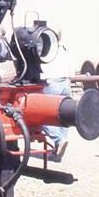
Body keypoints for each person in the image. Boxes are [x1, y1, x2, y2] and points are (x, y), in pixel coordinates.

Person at [39, 26, 73, 161]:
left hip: (51, 82)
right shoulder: (65, 48)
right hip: (65, 81)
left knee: (41, 115)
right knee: (64, 115)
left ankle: (59, 140)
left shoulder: (46, 49)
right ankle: (60, 146)